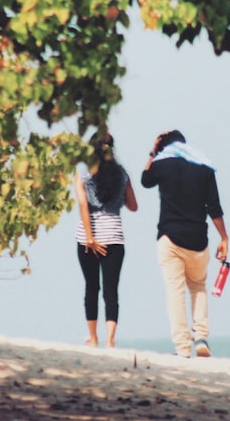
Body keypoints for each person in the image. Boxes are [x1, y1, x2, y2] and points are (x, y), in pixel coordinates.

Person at [141, 130, 229, 358]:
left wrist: (153, 151)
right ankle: (201, 337)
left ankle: (182, 348)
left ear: (164, 147)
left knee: (175, 292)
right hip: (198, 239)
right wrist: (224, 238)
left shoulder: (162, 164)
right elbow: (214, 207)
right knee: (198, 286)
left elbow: (145, 180)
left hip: (170, 238)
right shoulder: (204, 166)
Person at [74, 132, 138, 348]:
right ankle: (110, 340)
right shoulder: (122, 174)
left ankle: (93, 338)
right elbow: (133, 206)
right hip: (114, 236)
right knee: (111, 290)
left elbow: (83, 206)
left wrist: (90, 237)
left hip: (87, 239)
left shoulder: (83, 174)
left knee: (91, 287)